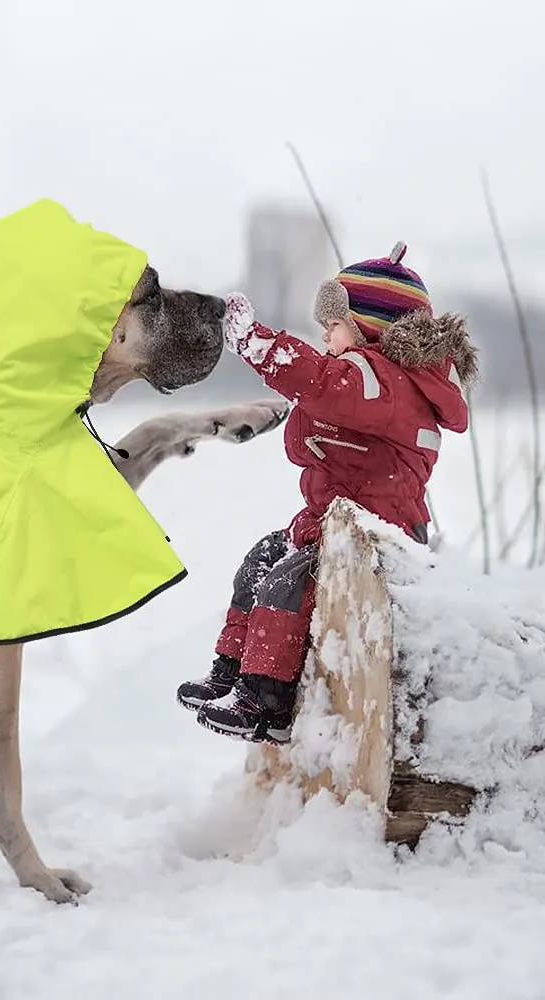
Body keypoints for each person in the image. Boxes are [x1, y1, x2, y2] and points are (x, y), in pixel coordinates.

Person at [176, 242, 479, 743]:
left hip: (377, 533)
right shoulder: (374, 379)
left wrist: (254, 340)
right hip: (334, 521)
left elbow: (316, 381)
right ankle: (230, 671)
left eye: (334, 324)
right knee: (261, 562)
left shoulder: (384, 382)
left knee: (288, 583)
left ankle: (265, 702)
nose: (324, 334)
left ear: (370, 329)